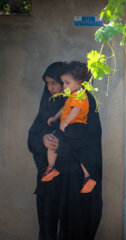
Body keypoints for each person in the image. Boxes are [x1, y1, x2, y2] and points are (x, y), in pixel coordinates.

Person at [42, 61, 96, 194]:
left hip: (76, 126)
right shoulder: (72, 96)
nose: (64, 86)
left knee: (73, 148)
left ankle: (53, 167)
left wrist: (65, 123)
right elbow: (65, 108)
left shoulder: (80, 95)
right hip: (72, 127)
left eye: (66, 83)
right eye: (63, 82)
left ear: (80, 82)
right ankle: (86, 176)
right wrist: (55, 117)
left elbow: (75, 111)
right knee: (69, 147)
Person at [28, 62, 66, 240]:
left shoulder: (78, 106)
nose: (50, 88)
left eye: (54, 83)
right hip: (47, 183)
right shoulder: (46, 107)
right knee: (47, 231)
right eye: (47, 83)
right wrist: (43, 140)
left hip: (70, 183)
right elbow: (32, 138)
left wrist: (62, 143)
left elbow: (86, 140)